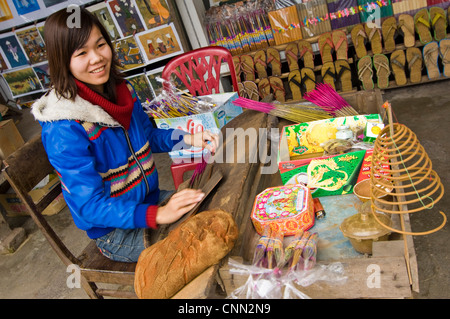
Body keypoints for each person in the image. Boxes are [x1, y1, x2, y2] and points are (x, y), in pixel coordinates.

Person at [31, 7, 219, 263]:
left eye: (100, 45)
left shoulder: (122, 91)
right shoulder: (64, 127)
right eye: (82, 53)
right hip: (114, 232)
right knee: (199, 246)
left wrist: (187, 138)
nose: (97, 58)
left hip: (149, 201)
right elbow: (90, 206)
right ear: (63, 61)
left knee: (213, 206)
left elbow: (148, 136)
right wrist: (158, 215)